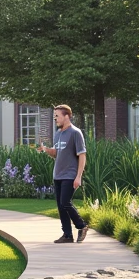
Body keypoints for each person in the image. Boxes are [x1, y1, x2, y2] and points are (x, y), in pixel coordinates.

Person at [40, 104, 89, 244]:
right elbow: (56, 153)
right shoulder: (58, 133)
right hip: (58, 175)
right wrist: (45, 149)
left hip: (70, 174)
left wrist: (78, 176)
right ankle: (67, 235)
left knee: (65, 202)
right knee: (61, 206)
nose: (55, 118)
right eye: (54, 116)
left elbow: (82, 155)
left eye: (57, 116)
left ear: (66, 116)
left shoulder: (75, 133)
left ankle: (82, 226)